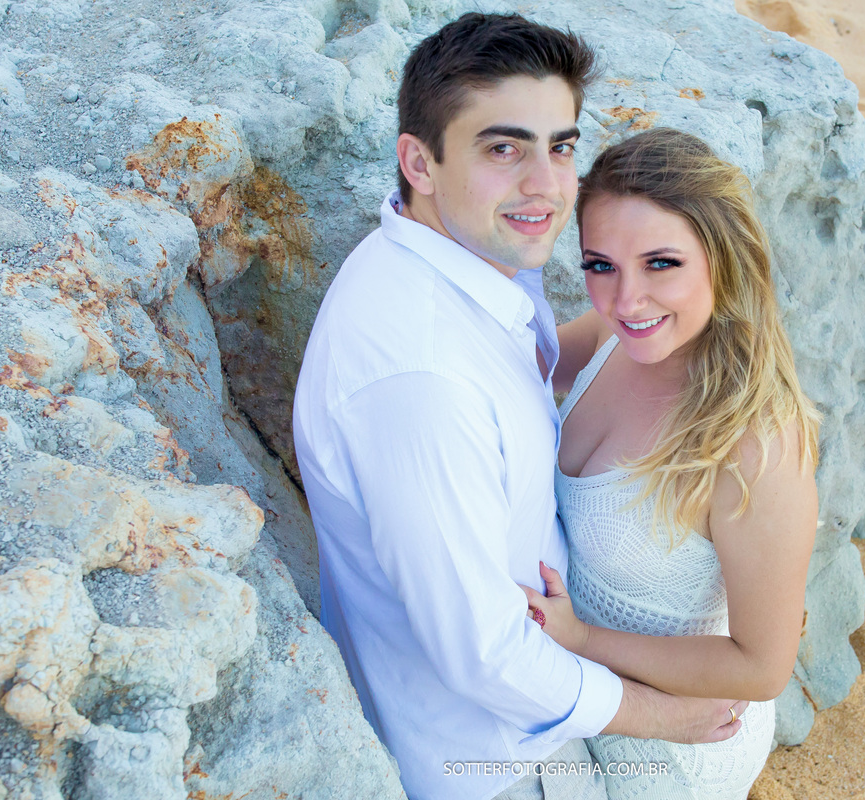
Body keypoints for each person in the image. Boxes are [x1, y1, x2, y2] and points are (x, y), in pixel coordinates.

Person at [292, 16, 747, 800]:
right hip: (502, 757)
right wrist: (665, 716)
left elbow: (541, 362)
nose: (547, 185)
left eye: (560, 147)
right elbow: (483, 655)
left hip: (555, 682)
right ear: (420, 162)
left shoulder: (455, 261)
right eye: (504, 149)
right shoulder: (422, 382)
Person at [523, 128, 822, 799]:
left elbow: (762, 667)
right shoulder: (612, 337)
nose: (626, 300)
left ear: (723, 258)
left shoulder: (756, 446)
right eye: (601, 265)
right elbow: (508, 368)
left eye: (661, 263)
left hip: (673, 746)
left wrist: (582, 640)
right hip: (575, 685)